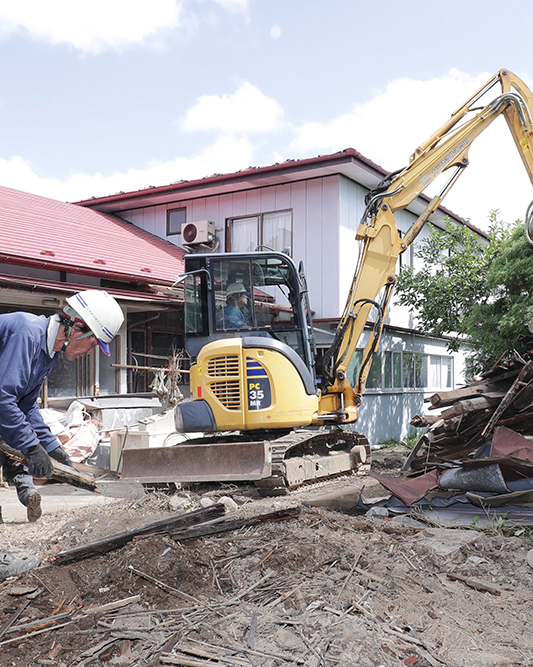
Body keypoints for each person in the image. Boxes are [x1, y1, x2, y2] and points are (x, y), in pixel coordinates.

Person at [0, 290, 124, 522]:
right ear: (76, 328)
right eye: (92, 344)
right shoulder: (26, 334)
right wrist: (32, 447)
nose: (88, 352)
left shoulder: (47, 354)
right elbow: (3, 399)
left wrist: (50, 446)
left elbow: (26, 406)